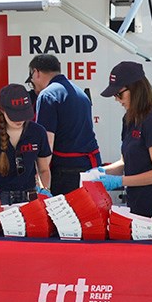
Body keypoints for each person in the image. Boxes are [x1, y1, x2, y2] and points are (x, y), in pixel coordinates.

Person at [96, 61, 152, 217]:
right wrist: (101, 172)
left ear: (136, 89)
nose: (117, 99)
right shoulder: (129, 119)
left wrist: (120, 181)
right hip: (134, 204)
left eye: (119, 94)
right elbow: (125, 161)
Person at [29, 54, 101, 196]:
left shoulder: (47, 96)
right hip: (88, 169)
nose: (33, 86)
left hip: (65, 174)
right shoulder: (81, 94)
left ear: (36, 72)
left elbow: (46, 144)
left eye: (31, 80)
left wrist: (42, 182)